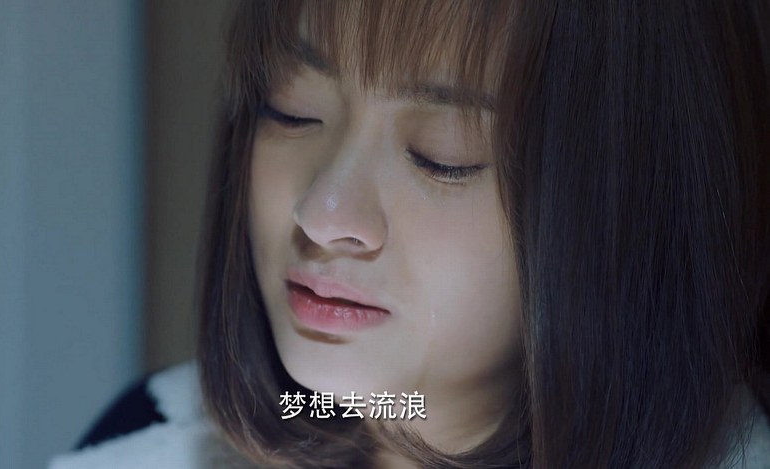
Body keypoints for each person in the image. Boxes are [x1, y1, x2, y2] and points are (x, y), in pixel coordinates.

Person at [51, 1, 770, 468]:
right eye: (292, 110)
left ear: (629, 204)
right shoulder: (146, 439)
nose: (322, 213)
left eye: (442, 154)